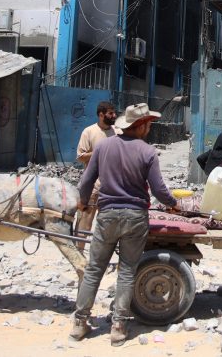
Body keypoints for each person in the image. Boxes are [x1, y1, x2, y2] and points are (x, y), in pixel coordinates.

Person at [70, 103, 178, 347]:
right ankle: (118, 327)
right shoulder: (148, 152)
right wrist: (173, 204)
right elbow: (159, 190)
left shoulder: (103, 147)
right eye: (148, 124)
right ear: (140, 126)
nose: (150, 128)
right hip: (135, 217)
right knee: (127, 271)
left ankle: (79, 323)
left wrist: (83, 202)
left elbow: (86, 181)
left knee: (94, 269)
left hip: (107, 215)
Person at [74, 101, 119, 253]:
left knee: (107, 225)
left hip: (111, 187)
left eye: (114, 112)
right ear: (101, 115)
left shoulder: (117, 132)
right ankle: (79, 254)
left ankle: (101, 257)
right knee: (85, 223)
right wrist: (100, 151)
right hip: (92, 186)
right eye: (111, 113)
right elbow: (80, 156)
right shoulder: (89, 131)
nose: (114, 116)